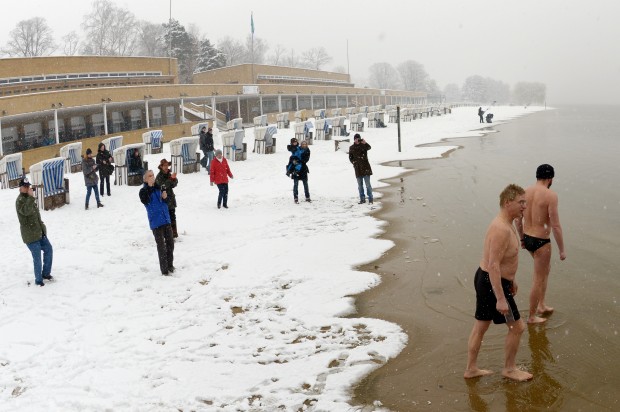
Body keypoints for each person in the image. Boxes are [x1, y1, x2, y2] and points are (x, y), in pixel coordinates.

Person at [464, 184, 532, 382]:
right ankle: (509, 369)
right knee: (517, 327)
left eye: (525, 203)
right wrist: (501, 298)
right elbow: (494, 265)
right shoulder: (501, 228)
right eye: (521, 202)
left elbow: (500, 262)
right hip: (493, 284)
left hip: (489, 281)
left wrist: (512, 279)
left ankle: (471, 369)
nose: (524, 207)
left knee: (480, 327)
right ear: (507, 202)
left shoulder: (505, 222)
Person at [515, 164, 566, 324]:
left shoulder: (525, 191)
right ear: (550, 179)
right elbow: (556, 225)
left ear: (537, 176)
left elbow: (518, 219)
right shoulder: (551, 195)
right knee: (538, 278)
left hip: (529, 238)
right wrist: (562, 250)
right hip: (541, 242)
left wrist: (522, 239)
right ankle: (531, 316)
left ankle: (542, 305)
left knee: (545, 270)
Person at [16, 178, 54, 287]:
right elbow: (26, 212)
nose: (28, 188)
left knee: (49, 249)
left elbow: (36, 215)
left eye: (28, 186)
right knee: (37, 257)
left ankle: (46, 274)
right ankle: (38, 280)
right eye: (25, 186)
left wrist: (42, 227)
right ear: (20, 188)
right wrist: (31, 198)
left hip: (39, 232)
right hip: (30, 235)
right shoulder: (20, 201)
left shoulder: (29, 198)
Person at [139, 170, 175, 276]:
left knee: (170, 244)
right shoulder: (143, 191)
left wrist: (165, 197)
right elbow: (145, 200)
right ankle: (164, 271)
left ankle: (170, 265)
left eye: (153, 175)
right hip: (156, 222)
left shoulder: (158, 187)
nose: (153, 177)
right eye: (150, 176)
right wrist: (149, 187)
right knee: (161, 247)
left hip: (166, 219)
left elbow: (167, 201)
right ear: (145, 179)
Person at [155, 159, 179, 238]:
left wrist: (174, 179)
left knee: (172, 216)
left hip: (171, 199)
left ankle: (174, 233)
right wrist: (170, 179)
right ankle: (168, 235)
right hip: (163, 200)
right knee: (166, 218)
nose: (166, 167)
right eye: (164, 165)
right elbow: (163, 186)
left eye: (167, 165)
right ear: (161, 166)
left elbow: (174, 184)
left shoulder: (169, 173)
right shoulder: (159, 176)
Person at [349, 134, 373, 204]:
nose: (357, 140)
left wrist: (365, 143)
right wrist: (354, 163)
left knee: (368, 185)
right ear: (354, 140)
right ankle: (362, 199)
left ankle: (370, 198)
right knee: (360, 186)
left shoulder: (363, 145)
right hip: (358, 169)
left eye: (358, 139)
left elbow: (369, 147)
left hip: (365, 168)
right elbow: (350, 158)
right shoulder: (351, 147)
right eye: (356, 139)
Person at [286, 138, 311, 203]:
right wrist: (293, 160)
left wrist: (299, 160)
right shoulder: (297, 149)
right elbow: (292, 155)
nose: (304, 145)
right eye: (303, 144)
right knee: (296, 184)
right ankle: (295, 198)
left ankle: (307, 197)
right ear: (301, 144)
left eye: (305, 144)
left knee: (305, 184)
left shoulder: (306, 150)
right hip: (296, 169)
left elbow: (306, 160)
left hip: (303, 169)